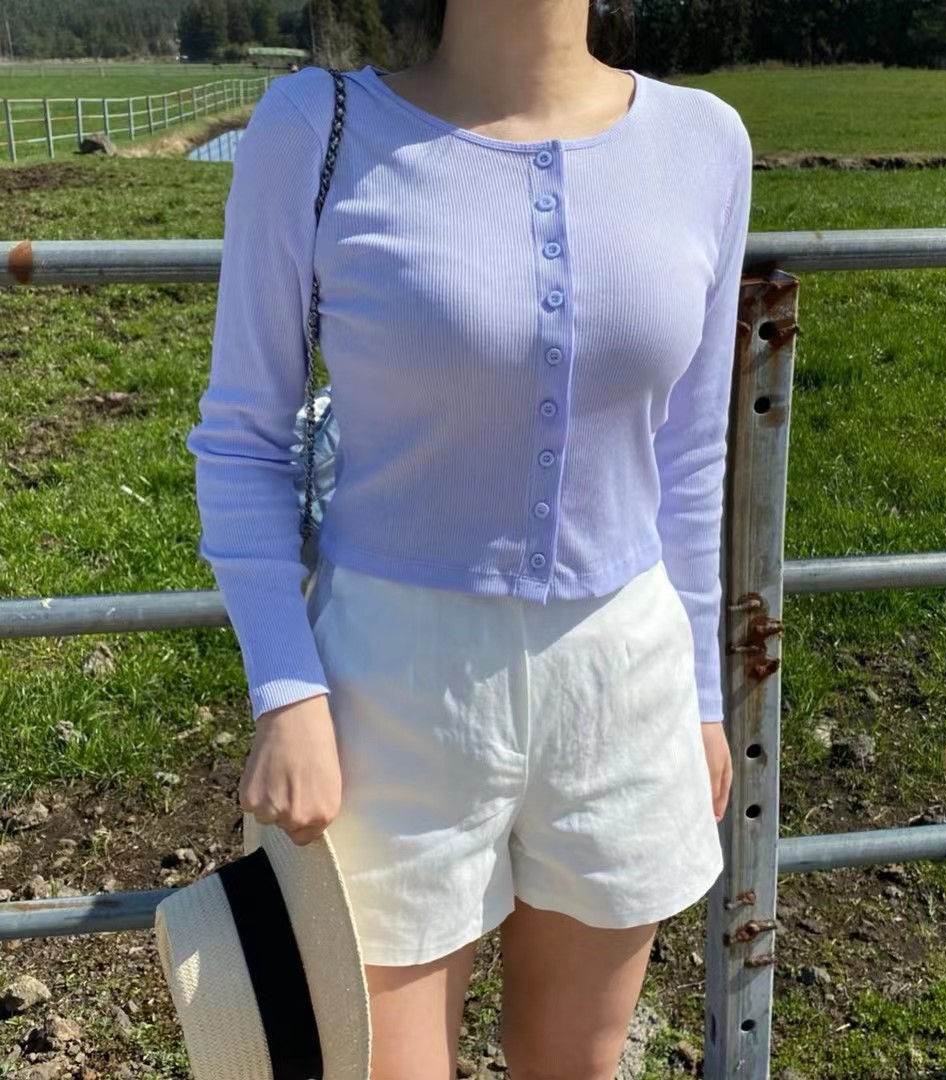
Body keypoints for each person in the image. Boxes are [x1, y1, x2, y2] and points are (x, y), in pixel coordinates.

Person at [184, 0, 752, 1076]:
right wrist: (286, 692)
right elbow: (242, 438)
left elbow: (689, 457)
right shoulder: (313, 129)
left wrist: (702, 698)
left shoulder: (705, 143)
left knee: (575, 1066)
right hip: (388, 694)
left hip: (624, 681)